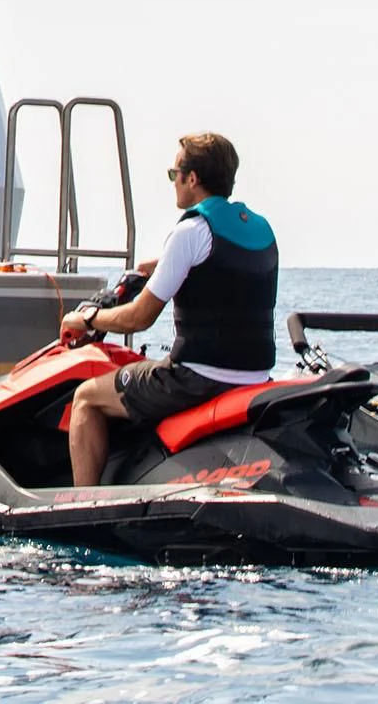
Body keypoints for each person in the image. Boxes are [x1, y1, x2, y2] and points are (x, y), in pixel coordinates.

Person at [61, 131, 278, 488]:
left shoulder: (191, 230)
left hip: (197, 380)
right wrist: (164, 265)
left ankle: (84, 506)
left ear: (192, 178)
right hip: (254, 377)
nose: (173, 182)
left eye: (173, 173)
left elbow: (139, 318)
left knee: (85, 397)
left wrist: (88, 319)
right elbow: (228, 273)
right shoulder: (260, 228)